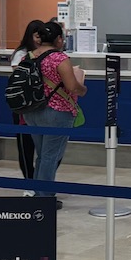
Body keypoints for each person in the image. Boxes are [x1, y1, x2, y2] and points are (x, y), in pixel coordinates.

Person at [22, 21, 85, 207]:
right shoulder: (60, 59)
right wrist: (83, 89)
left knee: (42, 155)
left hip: (32, 111)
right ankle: (45, 198)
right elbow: (72, 86)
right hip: (56, 112)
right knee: (51, 156)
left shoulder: (29, 56)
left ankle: (39, 192)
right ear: (58, 39)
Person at [10, 19, 46, 187]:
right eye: (37, 36)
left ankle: (40, 181)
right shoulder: (21, 54)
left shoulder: (47, 52)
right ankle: (29, 182)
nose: (39, 40)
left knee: (45, 149)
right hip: (23, 106)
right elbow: (20, 78)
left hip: (40, 106)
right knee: (25, 148)